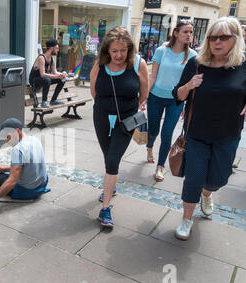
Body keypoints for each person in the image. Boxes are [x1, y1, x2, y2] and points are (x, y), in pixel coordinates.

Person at [172, 16, 246, 240]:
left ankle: (207, 193)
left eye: (224, 37)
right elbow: (177, 94)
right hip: (197, 133)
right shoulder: (197, 63)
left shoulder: (243, 65)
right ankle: (186, 219)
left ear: (235, 39)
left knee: (218, 178)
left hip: (228, 134)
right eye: (213, 37)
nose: (217, 42)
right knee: (193, 177)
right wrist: (189, 85)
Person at [89, 26, 149, 228]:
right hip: (102, 116)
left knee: (113, 159)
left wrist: (130, 107)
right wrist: (105, 109)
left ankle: (105, 208)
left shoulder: (138, 64)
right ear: (107, 50)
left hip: (127, 119)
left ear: (129, 49)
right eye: (114, 51)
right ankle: (110, 186)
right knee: (108, 157)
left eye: (123, 50)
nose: (119, 55)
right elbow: (94, 90)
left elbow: (144, 93)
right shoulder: (99, 64)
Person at [147, 21, 197, 182]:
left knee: (167, 133)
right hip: (155, 97)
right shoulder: (161, 51)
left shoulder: (193, 56)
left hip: (176, 101)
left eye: (191, 32)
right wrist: (143, 96)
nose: (189, 35)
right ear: (176, 33)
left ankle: (160, 166)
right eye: (185, 32)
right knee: (153, 130)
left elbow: (191, 83)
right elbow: (152, 76)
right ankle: (149, 146)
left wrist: (187, 104)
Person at [0, 118, 50, 212]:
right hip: (42, 184)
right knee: (5, 174)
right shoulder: (34, 139)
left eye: (7, 136)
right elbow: (30, 165)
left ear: (17, 131)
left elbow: (12, 181)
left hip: (28, 191)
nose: (6, 140)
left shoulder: (18, 149)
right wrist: (5, 169)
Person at [29, 39, 68, 108]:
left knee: (61, 79)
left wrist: (63, 75)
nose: (58, 50)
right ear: (52, 48)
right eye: (57, 48)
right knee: (47, 80)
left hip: (43, 79)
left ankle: (53, 100)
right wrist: (58, 76)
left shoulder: (51, 59)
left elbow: (55, 72)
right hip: (34, 80)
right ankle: (44, 102)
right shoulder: (42, 58)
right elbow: (42, 74)